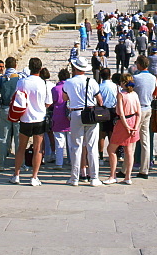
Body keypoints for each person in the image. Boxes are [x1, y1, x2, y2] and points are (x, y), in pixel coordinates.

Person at [12, 57, 53, 186]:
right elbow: (48, 103)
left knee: (21, 148)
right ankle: (34, 176)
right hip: (39, 119)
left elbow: (16, 98)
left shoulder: (22, 82)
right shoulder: (44, 83)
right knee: (38, 149)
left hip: (25, 118)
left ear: (29, 68)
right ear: (40, 69)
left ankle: (16, 175)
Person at [63, 55, 103, 186]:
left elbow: (64, 98)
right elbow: (100, 100)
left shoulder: (69, 82)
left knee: (76, 146)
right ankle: (94, 177)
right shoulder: (92, 82)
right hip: (90, 113)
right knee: (92, 147)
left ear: (74, 68)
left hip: (75, 113)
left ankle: (74, 178)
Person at [105, 73, 139, 184]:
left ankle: (112, 175)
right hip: (134, 121)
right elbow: (139, 112)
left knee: (111, 149)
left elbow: (121, 113)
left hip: (123, 123)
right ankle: (128, 177)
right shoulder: (134, 94)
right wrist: (135, 126)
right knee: (129, 151)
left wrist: (127, 126)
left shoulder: (121, 95)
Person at [0, 57, 24, 169]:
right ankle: (20, 164)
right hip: (16, 109)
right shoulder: (20, 78)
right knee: (18, 137)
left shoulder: (1, 78)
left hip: (4, 108)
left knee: (3, 138)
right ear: (15, 65)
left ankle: (0, 164)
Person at [132, 54, 156, 179]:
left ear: (139, 65)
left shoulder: (136, 78)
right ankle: (144, 169)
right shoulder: (153, 78)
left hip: (137, 109)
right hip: (148, 108)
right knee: (145, 140)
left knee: (132, 139)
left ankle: (127, 167)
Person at [50, 68, 72, 167]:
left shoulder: (55, 89)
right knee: (71, 143)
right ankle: (72, 161)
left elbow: (53, 102)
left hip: (57, 117)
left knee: (59, 141)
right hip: (70, 117)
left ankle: (59, 163)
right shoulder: (71, 88)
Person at [97, 67, 118, 160]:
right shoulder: (115, 86)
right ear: (110, 76)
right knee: (111, 134)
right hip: (113, 110)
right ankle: (112, 155)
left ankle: (101, 156)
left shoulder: (99, 86)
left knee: (102, 134)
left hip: (102, 110)